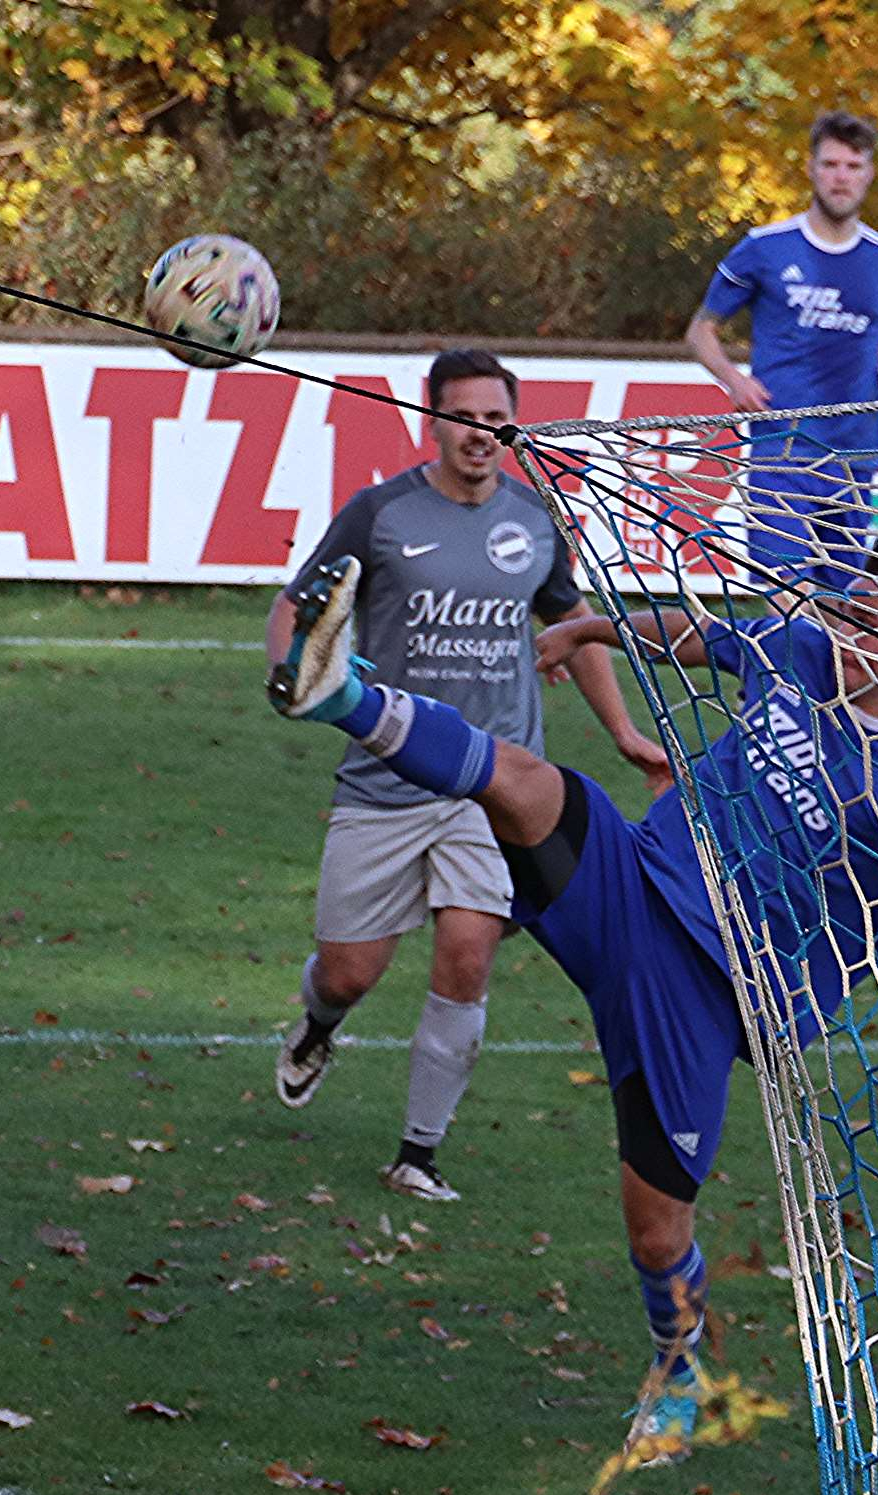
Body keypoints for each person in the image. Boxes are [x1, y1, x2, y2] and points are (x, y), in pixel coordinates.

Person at [263, 535, 878, 1465]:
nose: (853, 637)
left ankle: (678, 1369)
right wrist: (588, 629)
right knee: (529, 783)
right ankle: (340, 696)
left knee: (656, 1235)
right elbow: (693, 636)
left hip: (710, 997)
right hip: (637, 883)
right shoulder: (798, 652)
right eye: (850, 613)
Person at [269, 347, 672, 1201]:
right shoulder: (379, 513)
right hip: (384, 780)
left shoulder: (534, 521)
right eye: (464, 417)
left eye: (497, 419)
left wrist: (624, 731)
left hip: (492, 783)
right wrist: (289, 672)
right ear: (433, 420)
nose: (481, 433)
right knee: (348, 972)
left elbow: (571, 622)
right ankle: (318, 1022)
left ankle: (418, 1153)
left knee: (467, 952)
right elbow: (296, 604)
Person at [686, 109, 878, 597]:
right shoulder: (765, 247)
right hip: (783, 449)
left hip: (855, 452)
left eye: (853, 166)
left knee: (839, 599)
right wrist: (734, 381)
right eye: (830, 164)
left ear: (869, 174)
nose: (841, 177)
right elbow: (701, 331)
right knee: (783, 593)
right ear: (811, 169)